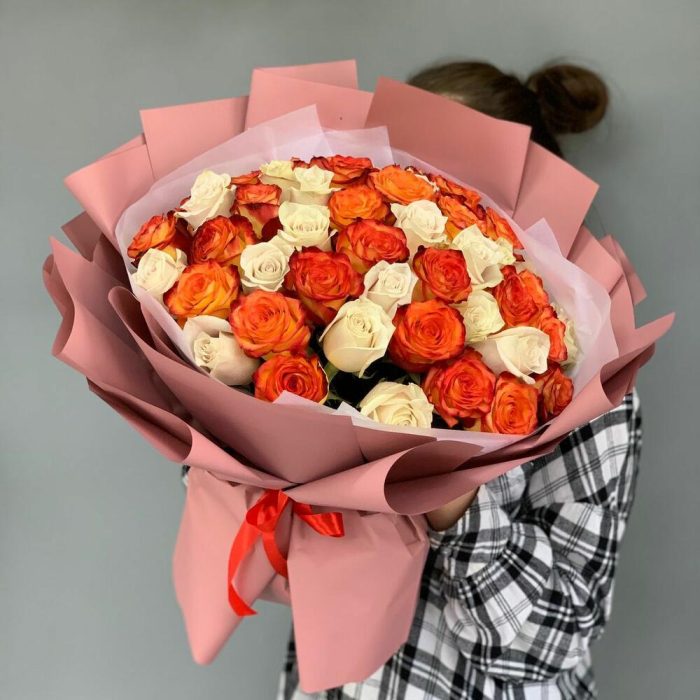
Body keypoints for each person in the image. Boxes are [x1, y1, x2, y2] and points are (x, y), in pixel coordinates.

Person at [279, 61, 641, 700]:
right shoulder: (334, 325)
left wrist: (454, 499)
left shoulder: (587, 379)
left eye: (452, 191)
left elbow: (554, 642)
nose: (426, 212)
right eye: (402, 179)